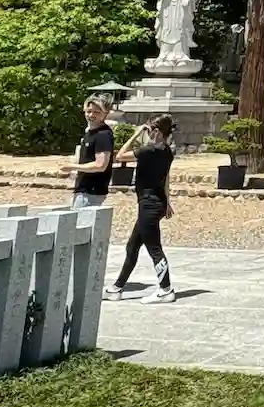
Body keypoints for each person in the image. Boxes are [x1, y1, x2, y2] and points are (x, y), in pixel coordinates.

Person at [104, 114, 177, 303]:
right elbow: (166, 179)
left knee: (155, 249)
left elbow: (120, 156)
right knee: (132, 246)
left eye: (150, 129)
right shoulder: (168, 151)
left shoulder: (148, 150)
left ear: (156, 131)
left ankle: (166, 289)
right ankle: (117, 288)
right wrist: (167, 202)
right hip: (157, 203)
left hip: (149, 205)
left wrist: (136, 134)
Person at [60, 95, 115, 209]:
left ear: (105, 113)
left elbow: (100, 165)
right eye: (89, 111)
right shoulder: (90, 132)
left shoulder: (103, 135)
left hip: (92, 191)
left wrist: (72, 167)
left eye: (97, 112)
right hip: (84, 188)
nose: (91, 115)